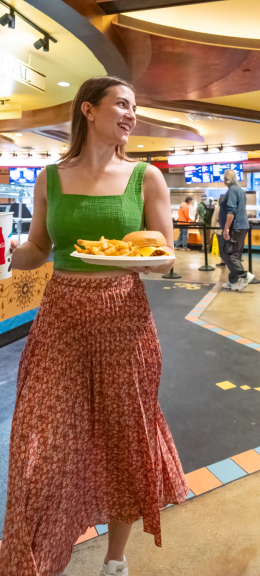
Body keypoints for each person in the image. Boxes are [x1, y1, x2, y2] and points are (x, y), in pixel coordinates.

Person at [0, 77, 188, 576]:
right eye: (122, 104)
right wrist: (16, 255)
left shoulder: (146, 177)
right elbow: (38, 248)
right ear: (88, 109)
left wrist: (153, 261)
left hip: (123, 318)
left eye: (134, 107)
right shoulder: (50, 178)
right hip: (59, 318)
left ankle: (115, 558)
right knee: (41, 441)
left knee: (122, 437)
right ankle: (40, 555)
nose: (131, 114)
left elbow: (164, 256)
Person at [219, 169, 254, 291]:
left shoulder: (232, 191)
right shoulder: (239, 190)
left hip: (235, 226)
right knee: (235, 254)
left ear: (226, 178)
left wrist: (226, 228)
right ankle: (233, 282)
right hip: (242, 226)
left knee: (226, 253)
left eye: (224, 177)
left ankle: (243, 275)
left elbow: (231, 211)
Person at [211, 197, 226, 267]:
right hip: (228, 229)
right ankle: (228, 261)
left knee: (221, 245)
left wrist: (212, 230)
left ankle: (222, 261)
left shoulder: (218, 208)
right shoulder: (229, 208)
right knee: (227, 246)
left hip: (219, 230)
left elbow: (214, 219)